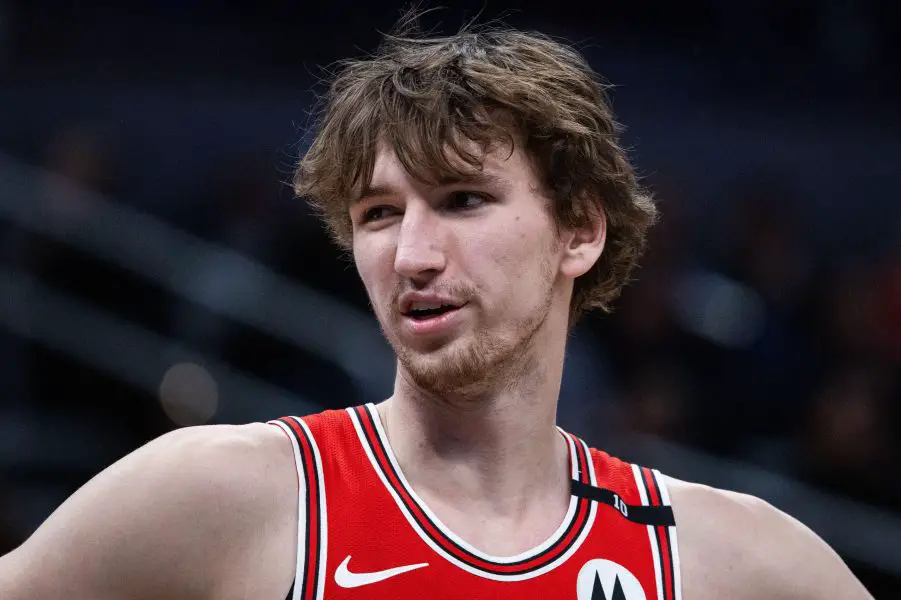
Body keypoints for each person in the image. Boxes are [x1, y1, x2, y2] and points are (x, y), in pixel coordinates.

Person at [0, 16, 874, 600]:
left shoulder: (730, 560)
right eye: (379, 214)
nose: (412, 254)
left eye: (461, 200)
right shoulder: (222, 493)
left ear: (577, 231)